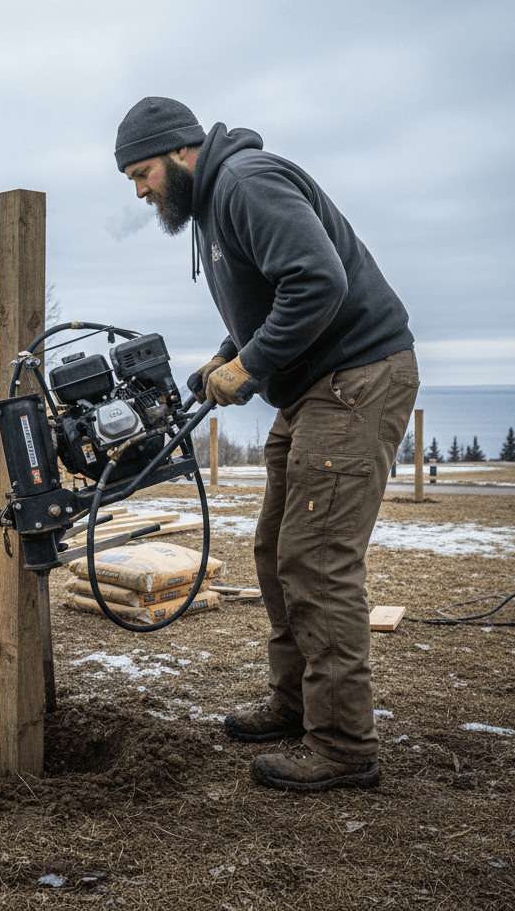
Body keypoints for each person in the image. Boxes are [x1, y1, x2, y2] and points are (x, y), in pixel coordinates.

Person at [115, 97, 419, 792]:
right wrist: (227, 356)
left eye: (142, 174)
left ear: (181, 151)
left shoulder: (245, 182)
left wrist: (249, 366)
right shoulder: (214, 204)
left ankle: (344, 746)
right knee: (276, 547)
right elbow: (272, 295)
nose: (140, 192)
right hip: (312, 385)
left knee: (317, 559)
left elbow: (318, 280)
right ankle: (294, 705)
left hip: (353, 378)